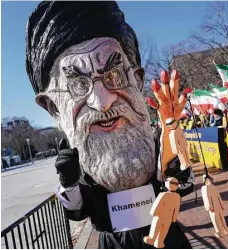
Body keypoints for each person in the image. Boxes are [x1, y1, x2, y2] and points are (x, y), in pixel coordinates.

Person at [25, 2, 192, 248]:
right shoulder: (78, 164)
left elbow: (185, 183)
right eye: (79, 85)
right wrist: (69, 182)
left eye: (114, 76)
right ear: (54, 108)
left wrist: (177, 167)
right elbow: (76, 211)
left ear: (136, 80)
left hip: (166, 236)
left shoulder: (158, 145)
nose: (102, 103)